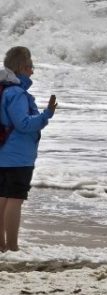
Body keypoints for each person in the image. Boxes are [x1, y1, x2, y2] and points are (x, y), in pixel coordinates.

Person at [0, 47, 57, 252]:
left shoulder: (3, 89)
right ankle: (12, 246)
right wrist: (46, 115)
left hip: (3, 154)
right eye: (31, 67)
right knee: (15, 198)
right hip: (17, 156)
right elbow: (23, 124)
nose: (33, 71)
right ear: (22, 68)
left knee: (4, 198)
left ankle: (2, 246)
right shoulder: (17, 93)